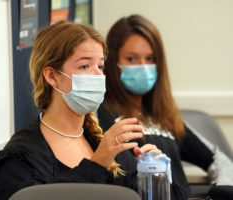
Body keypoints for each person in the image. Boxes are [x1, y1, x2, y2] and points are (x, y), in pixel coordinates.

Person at [0, 21, 161, 200]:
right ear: (52, 76)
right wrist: (97, 165)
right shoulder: (19, 158)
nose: (98, 76)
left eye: (100, 66)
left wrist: (153, 176)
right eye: (84, 66)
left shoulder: (104, 144)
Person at [98, 14, 233, 199]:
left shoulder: (165, 117)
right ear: (113, 63)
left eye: (151, 58)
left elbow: (218, 159)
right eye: (131, 59)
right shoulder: (99, 114)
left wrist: (222, 191)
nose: (143, 67)